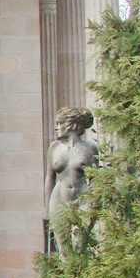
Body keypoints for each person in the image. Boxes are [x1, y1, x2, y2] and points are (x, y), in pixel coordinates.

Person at [45, 106, 97, 257]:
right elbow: (50, 179)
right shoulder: (54, 148)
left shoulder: (89, 149)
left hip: (83, 198)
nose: (56, 128)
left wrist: (94, 204)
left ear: (72, 125)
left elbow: (96, 180)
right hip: (59, 198)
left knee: (80, 246)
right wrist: (46, 209)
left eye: (59, 123)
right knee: (63, 250)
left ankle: (81, 277)